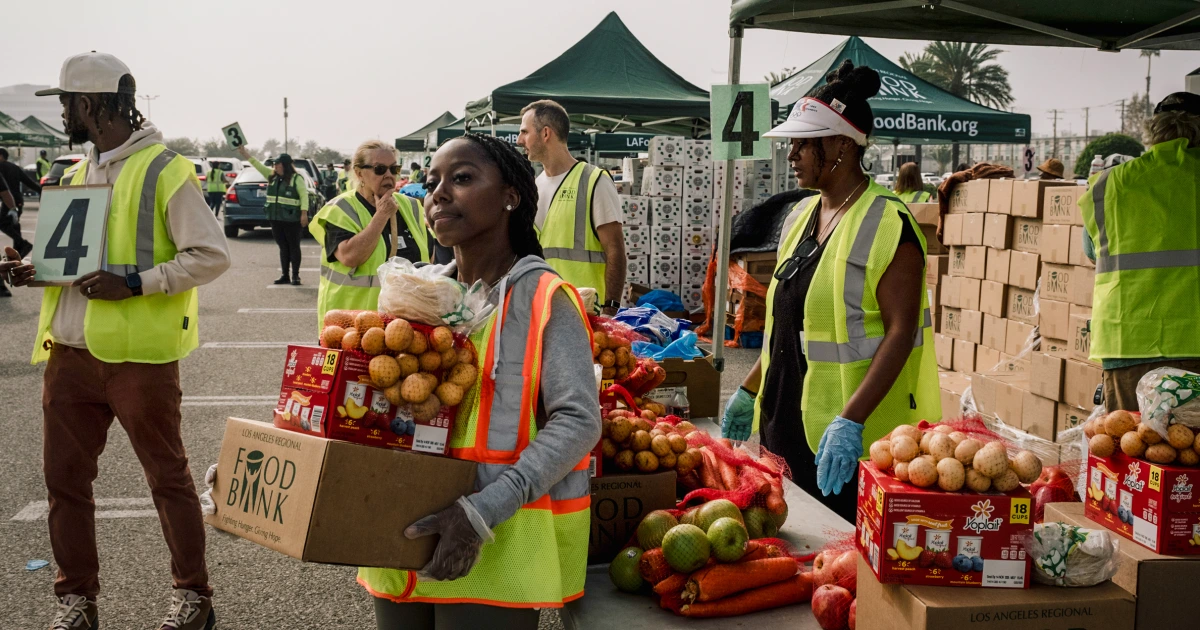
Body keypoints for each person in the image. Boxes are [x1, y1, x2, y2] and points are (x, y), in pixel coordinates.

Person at [359, 132, 600, 630]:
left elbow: (578, 421)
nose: (438, 194)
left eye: (462, 178)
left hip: (495, 547)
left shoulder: (545, 298)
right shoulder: (421, 296)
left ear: (511, 195)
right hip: (402, 535)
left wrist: (481, 512)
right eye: (432, 182)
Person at [30, 51, 231, 630]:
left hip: (139, 358)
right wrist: (31, 268)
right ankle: (76, 602)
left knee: (168, 479)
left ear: (90, 104)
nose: (64, 113)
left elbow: (211, 255)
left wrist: (137, 282)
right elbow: (67, 263)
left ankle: (194, 597)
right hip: (70, 352)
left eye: (67, 102)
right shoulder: (75, 173)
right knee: (64, 484)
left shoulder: (165, 169)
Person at [720, 61, 940, 523]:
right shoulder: (800, 216)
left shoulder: (889, 223)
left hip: (844, 441)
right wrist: (748, 388)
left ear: (842, 144)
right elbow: (787, 324)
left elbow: (900, 333)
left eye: (804, 143)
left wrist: (851, 421)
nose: (793, 154)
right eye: (793, 143)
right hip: (783, 425)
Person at [1079, 92, 1200, 411]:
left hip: (1128, 343)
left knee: (1129, 438)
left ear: (1153, 130)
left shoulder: (1109, 184)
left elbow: (1091, 251)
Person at [308, 140, 433, 329]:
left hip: (405, 328)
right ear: (359, 173)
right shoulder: (341, 209)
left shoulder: (411, 206)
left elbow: (428, 257)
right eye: (380, 169)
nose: (389, 175)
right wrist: (381, 216)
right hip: (351, 328)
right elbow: (350, 256)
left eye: (394, 169)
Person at [517, 100, 626, 315]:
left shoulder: (594, 181)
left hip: (586, 314)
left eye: (525, 132)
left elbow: (615, 250)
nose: (520, 140)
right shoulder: (534, 187)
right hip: (545, 312)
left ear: (545, 133)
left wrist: (610, 309)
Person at [237, 147, 308, 284]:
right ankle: (285, 275)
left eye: (277, 164)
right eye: (274, 164)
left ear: (285, 165)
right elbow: (257, 164)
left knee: (293, 246)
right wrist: (245, 153)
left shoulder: (296, 178)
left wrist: (304, 213)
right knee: (283, 247)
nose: (275, 166)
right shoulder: (272, 176)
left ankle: (295, 275)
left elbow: (304, 196)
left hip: (292, 219)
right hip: (276, 219)